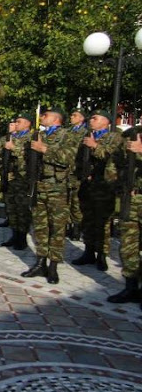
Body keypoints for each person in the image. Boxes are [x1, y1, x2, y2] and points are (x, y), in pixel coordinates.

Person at [21, 108, 74, 284]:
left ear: (57, 119)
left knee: (57, 228)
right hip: (39, 185)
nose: (42, 117)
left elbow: (69, 158)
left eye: (46, 115)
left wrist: (44, 149)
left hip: (57, 188)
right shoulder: (37, 135)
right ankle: (40, 262)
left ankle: (53, 266)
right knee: (40, 226)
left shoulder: (67, 135)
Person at [71, 110, 123, 272]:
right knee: (87, 219)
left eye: (95, 118)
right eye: (91, 118)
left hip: (104, 187)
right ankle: (88, 251)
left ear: (106, 121)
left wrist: (94, 146)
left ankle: (102, 254)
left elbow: (112, 157)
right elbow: (78, 159)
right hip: (87, 185)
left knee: (102, 222)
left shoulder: (114, 137)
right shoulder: (86, 136)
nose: (91, 121)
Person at [108, 129, 142, 304]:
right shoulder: (130, 136)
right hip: (131, 198)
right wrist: (118, 181)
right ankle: (130, 287)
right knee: (128, 246)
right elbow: (114, 164)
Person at [0, 113, 32, 250]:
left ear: (27, 123)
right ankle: (14, 234)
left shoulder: (31, 138)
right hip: (10, 177)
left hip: (23, 178)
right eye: (15, 122)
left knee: (22, 210)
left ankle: (22, 238)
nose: (16, 124)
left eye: (19, 121)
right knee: (11, 209)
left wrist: (13, 149)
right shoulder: (12, 137)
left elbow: (30, 157)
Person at [67, 108, 89, 240]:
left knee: (76, 201)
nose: (71, 117)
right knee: (66, 200)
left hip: (77, 171)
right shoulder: (67, 131)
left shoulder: (86, 133)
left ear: (81, 118)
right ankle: (68, 225)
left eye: (74, 115)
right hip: (66, 171)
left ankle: (76, 228)